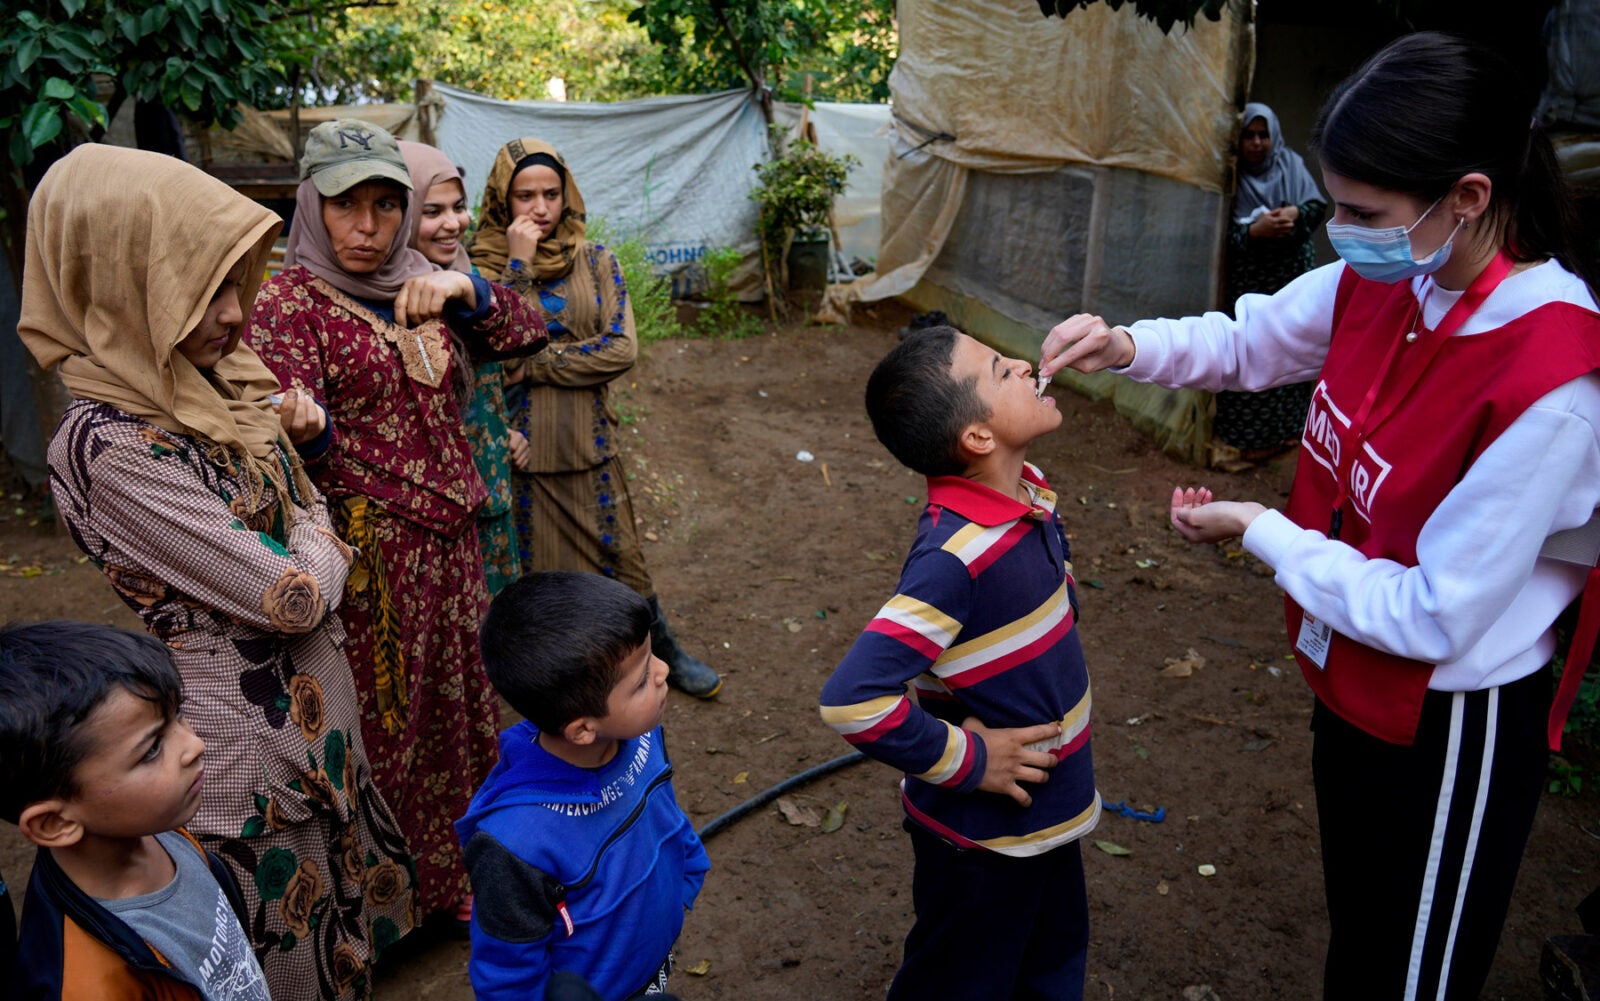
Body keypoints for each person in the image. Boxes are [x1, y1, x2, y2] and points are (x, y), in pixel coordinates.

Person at [1040, 32, 1600, 999]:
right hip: (1350, 674)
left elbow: (1435, 613)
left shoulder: (1552, 380)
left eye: (1360, 211)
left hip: (1450, 714)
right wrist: (1127, 345)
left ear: (1465, 198)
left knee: (1411, 973)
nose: (1337, 229)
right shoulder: (1399, 273)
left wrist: (1263, 530)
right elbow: (1254, 338)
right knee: (1362, 937)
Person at [17, 143, 415, 998]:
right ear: (123, 286)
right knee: (286, 961)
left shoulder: (222, 379)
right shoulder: (107, 446)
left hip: (319, 726)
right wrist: (315, 536)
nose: (235, 316)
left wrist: (307, 525)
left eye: (238, 283)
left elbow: (309, 514)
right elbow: (293, 594)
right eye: (203, 292)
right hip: (249, 760)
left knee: (349, 953)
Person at [246, 119, 549, 929]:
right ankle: (387, 915)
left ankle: (461, 888)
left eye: (388, 205)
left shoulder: (421, 279)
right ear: (312, 203)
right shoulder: (288, 306)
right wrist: (314, 434)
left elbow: (527, 332)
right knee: (389, 734)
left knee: (464, 719)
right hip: (376, 566)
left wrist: (468, 289)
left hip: (455, 553)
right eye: (349, 206)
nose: (369, 227)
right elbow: (271, 454)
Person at [819, 326, 1099, 1000]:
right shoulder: (953, 559)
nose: (1026, 364)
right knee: (961, 978)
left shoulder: (1028, 498)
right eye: (1003, 371)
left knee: (1052, 958)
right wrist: (973, 760)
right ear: (978, 438)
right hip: (981, 840)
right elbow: (852, 698)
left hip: (1046, 817)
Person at [467, 137, 723, 698]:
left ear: (568, 195)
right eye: (524, 195)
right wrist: (518, 266)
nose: (540, 208)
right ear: (500, 201)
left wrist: (537, 362)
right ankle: (557, 681)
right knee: (534, 583)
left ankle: (664, 655)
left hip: (586, 444)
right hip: (517, 454)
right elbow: (495, 348)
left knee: (624, 563)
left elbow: (620, 349)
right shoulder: (478, 269)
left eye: (551, 193)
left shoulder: (597, 260)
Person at [457, 571, 710, 1000]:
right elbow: (507, 973)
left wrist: (682, 882)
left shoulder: (641, 738)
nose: (663, 672)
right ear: (582, 730)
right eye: (642, 679)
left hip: (652, 965)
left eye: (653, 658)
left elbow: (664, 814)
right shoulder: (514, 844)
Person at [1, 621, 266, 1000]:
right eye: (152, 749)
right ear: (56, 823)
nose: (194, 745)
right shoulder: (86, 986)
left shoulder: (158, 831)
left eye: (178, 716)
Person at [399, 139, 541, 596]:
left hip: (492, 492)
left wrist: (502, 431)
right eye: (432, 211)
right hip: (436, 519)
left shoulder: (466, 275)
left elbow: (509, 362)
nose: (453, 223)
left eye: (459, 207)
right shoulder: (391, 298)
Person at [1214, 101, 1328, 458]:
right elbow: (1213, 236)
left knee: (1293, 346)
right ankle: (1246, 440)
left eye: (1264, 135)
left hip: (1291, 279)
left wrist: (1294, 214)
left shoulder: (1289, 164)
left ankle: (1287, 430)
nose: (1258, 143)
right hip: (1250, 285)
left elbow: (1315, 207)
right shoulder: (1227, 176)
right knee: (1252, 349)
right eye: (1249, 135)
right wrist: (1253, 233)